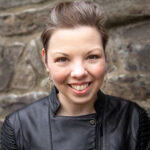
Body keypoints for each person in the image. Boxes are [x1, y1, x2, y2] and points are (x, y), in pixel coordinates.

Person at [1, 0, 150, 150]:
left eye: (92, 57)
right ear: (45, 61)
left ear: (105, 56)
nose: (79, 73)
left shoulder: (132, 119)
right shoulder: (18, 128)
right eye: (63, 59)